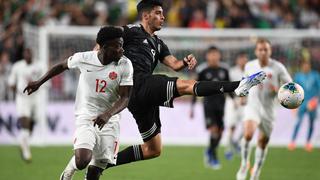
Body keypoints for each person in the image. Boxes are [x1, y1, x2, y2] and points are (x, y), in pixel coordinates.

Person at [101, 0, 266, 175]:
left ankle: (103, 164)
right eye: (158, 13)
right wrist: (96, 60)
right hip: (137, 83)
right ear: (146, 15)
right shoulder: (130, 31)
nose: (163, 17)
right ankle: (239, 85)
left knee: (153, 149)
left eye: (162, 13)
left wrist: (185, 62)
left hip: (139, 98)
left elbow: (174, 64)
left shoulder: (158, 43)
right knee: (188, 85)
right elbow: (103, 40)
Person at [23, 26, 133, 180]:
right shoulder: (84, 58)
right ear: (104, 47)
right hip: (86, 116)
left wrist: (108, 114)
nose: (122, 49)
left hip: (110, 120)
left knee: (95, 172)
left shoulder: (125, 64)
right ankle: (68, 172)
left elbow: (125, 98)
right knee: (82, 161)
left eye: (122, 45)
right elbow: (61, 66)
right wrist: (39, 82)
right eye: (117, 46)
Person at [236, 38, 292, 180]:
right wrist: (242, 96)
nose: (262, 52)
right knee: (248, 134)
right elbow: (245, 83)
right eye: (260, 49)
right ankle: (244, 164)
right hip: (252, 106)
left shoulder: (278, 67)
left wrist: (279, 90)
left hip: (269, 110)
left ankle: (256, 171)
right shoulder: (249, 66)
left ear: (270, 51)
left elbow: (290, 87)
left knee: (262, 142)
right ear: (256, 51)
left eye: (265, 49)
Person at [190, 46, 230, 169]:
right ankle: (213, 157)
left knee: (220, 132)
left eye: (215, 54)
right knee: (213, 130)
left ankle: (209, 150)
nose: (213, 57)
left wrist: (237, 100)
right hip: (208, 105)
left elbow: (230, 87)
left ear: (219, 55)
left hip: (221, 105)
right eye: (211, 54)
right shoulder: (202, 70)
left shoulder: (224, 70)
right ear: (207, 56)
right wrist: (192, 107)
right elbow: (194, 89)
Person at [7, 48, 45, 163]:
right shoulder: (17, 66)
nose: (27, 55)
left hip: (35, 98)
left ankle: (24, 141)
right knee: (25, 121)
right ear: (23, 55)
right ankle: (25, 150)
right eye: (25, 53)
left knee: (32, 123)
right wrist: (19, 93)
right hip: (23, 98)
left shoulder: (40, 65)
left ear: (32, 55)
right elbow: (11, 83)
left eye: (29, 53)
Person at [288, 60, 320, 152]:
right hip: (301, 103)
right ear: (302, 66)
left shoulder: (315, 75)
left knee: (311, 123)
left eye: (307, 65)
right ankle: (292, 142)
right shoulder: (298, 76)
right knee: (298, 122)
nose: (305, 67)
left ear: (309, 66)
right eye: (304, 65)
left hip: (312, 103)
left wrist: (315, 100)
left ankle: (308, 142)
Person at [224, 52, 248, 160]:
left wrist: (245, 98)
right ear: (237, 60)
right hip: (233, 102)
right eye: (241, 59)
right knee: (231, 127)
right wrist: (234, 99)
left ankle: (237, 142)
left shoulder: (250, 72)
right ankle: (228, 150)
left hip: (246, 102)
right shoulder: (232, 72)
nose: (243, 61)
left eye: (244, 59)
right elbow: (227, 86)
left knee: (247, 126)